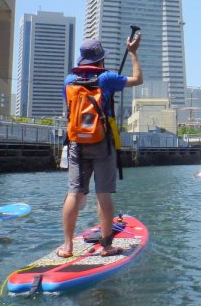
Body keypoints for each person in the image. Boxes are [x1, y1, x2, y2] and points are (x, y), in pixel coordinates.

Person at [58, 36, 143, 258]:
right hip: (102, 143)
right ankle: (106, 246)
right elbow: (138, 79)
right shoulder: (107, 78)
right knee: (103, 194)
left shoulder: (69, 80)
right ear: (101, 59)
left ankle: (67, 247)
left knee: (74, 193)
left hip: (76, 142)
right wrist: (132, 52)